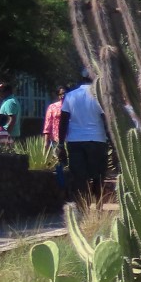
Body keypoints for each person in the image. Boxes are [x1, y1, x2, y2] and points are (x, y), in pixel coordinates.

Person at [59, 69, 107, 202]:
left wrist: (60, 143)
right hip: (97, 140)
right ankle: (98, 206)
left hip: (75, 141)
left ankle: (82, 207)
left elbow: (63, 121)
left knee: (79, 176)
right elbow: (106, 119)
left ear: (81, 78)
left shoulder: (70, 96)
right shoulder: (99, 96)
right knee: (98, 175)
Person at [42, 85, 68, 189]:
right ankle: (61, 186)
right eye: (60, 94)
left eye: (65, 93)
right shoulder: (53, 107)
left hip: (70, 139)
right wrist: (46, 142)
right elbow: (47, 125)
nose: (63, 96)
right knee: (59, 163)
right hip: (56, 140)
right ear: (58, 95)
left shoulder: (72, 106)